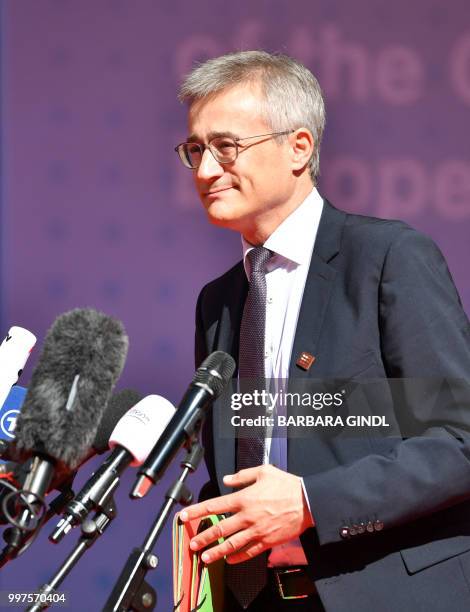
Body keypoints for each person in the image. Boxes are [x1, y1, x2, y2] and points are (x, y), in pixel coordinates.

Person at [174, 50, 470, 611]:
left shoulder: (387, 258)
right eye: (195, 150)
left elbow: (460, 440)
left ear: (299, 148)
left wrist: (312, 502)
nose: (206, 170)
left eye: (225, 147)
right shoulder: (218, 301)